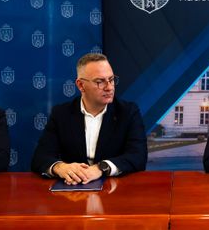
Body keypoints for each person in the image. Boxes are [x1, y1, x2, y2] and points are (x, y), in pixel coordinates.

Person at [31, 53, 147, 184]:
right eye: (100, 82)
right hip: (72, 189)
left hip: (114, 188)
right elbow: (40, 158)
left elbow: (138, 157)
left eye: (111, 79)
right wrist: (60, 167)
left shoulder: (128, 112)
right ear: (81, 85)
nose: (109, 87)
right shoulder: (61, 114)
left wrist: (101, 168)